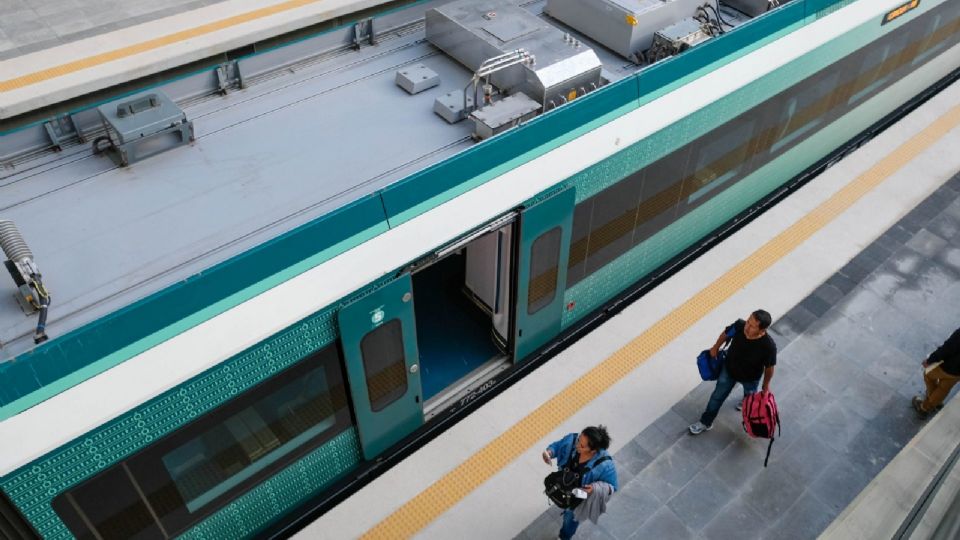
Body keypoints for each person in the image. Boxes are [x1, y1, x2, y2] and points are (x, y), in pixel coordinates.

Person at [689, 310, 777, 435]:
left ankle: (746, 408)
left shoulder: (768, 347)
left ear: (762, 330)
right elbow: (725, 334)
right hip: (729, 370)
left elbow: (769, 368)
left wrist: (766, 385)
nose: (747, 327)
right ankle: (705, 422)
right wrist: (715, 347)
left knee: (750, 401)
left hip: (750, 378)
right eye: (748, 321)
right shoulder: (739, 325)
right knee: (717, 397)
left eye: (752, 326)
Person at [542, 425, 618, 540]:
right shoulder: (572, 440)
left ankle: (563, 537)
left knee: (570, 520)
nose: (577, 445)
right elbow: (558, 446)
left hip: (578, 500)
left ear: (593, 450)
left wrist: (594, 488)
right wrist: (550, 452)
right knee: (566, 508)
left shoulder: (605, 464)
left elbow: (612, 486)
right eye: (579, 440)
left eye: (582, 446)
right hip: (564, 486)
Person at [913, 326, 960, 417]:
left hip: (946, 366)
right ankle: (930, 405)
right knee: (943, 389)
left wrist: (930, 360)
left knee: (928, 374)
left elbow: (947, 348)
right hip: (957, 374)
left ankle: (928, 403)